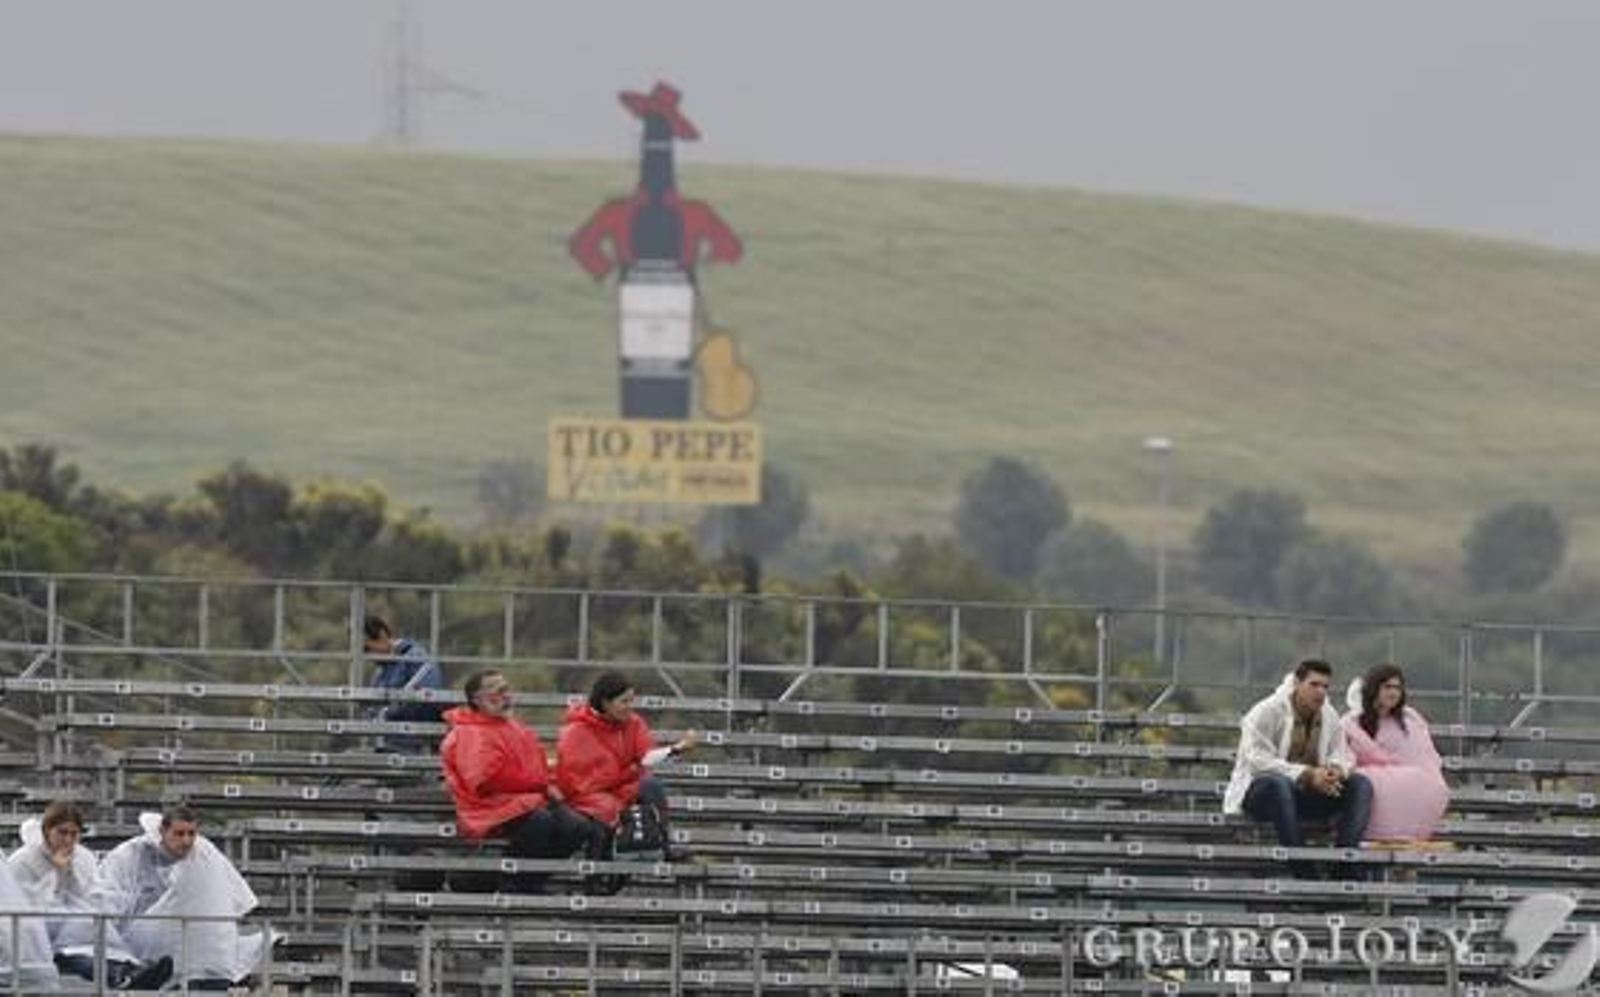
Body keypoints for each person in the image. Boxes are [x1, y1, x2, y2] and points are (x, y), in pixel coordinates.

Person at [440, 669, 601, 891]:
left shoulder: (515, 727)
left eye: (506, 690)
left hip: (528, 799)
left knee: (578, 827)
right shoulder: (468, 732)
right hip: (489, 805)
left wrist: (552, 783)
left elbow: (539, 765)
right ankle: (512, 882)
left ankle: (529, 881)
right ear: (477, 700)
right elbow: (487, 781)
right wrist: (540, 785)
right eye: (497, 691)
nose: (505, 696)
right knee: (540, 821)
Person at [89, 805, 272, 990]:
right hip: (155, 953)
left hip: (206, 955)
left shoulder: (204, 854)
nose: (186, 840)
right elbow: (106, 897)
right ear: (162, 831)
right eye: (179, 833)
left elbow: (220, 900)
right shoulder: (131, 854)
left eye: (191, 833)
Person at [1223, 659, 1372, 879]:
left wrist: (1334, 771)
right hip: (1263, 794)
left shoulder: (1329, 715)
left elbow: (1343, 754)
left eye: (1325, 686)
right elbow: (1256, 759)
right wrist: (1308, 774)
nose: (1320, 692)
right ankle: (1303, 872)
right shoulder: (1266, 711)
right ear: (1296, 683)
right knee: (1278, 783)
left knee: (1361, 784)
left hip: (1306, 795)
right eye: (1314, 684)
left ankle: (1344, 865)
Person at [7, 800, 173, 990]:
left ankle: (135, 969)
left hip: (81, 928)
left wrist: (71, 874)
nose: (68, 840)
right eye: (62, 832)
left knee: (102, 948)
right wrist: (56, 873)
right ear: (46, 831)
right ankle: (123, 975)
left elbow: (91, 896)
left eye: (74, 834)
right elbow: (25, 904)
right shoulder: (23, 860)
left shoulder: (83, 858)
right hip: (42, 935)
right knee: (76, 957)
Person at [556, 671, 699, 857]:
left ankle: (664, 846)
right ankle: (597, 874)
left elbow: (646, 758)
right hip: (590, 795)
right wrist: (625, 773)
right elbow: (578, 781)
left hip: (621, 787)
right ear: (606, 703)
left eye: (631, 701)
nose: (630, 707)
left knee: (651, 786)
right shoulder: (577, 731)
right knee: (604, 809)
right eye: (624, 702)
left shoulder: (633, 723)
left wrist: (676, 749)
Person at [1340, 663, 1450, 841]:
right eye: (1387, 687)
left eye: (1398, 688)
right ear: (1374, 688)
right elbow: (1344, 758)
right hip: (1366, 787)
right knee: (1362, 785)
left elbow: (1421, 757)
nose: (1393, 693)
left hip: (1415, 783)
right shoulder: (1352, 722)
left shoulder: (1410, 721)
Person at [364, 613, 447, 753]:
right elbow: (373, 708)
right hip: (392, 744)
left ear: (382, 635)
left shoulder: (417, 659)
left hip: (414, 746)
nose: (366, 656)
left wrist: (386, 713)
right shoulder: (380, 673)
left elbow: (427, 700)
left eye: (367, 649)